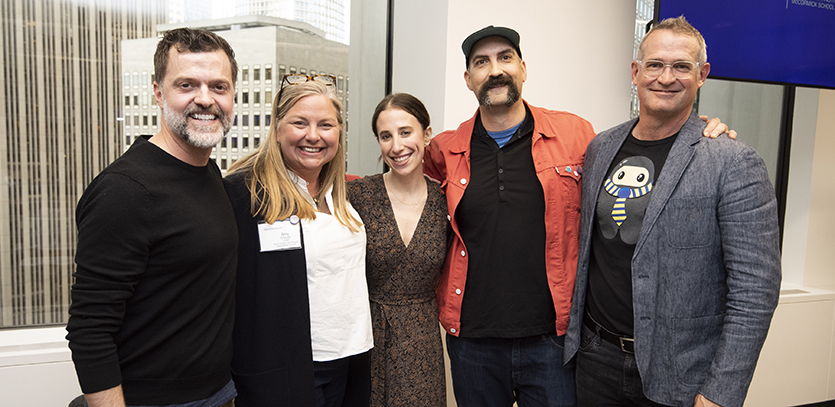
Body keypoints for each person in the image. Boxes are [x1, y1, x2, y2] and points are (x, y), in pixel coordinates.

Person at [423, 25, 732, 407]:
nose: (495, 70)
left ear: (523, 68)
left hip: (555, 340)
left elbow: (637, 153)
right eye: (481, 63)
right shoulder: (444, 150)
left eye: (505, 58)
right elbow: (407, 190)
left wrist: (695, 130)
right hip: (472, 341)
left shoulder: (575, 134)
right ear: (468, 79)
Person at [564, 17, 781, 407]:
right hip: (596, 361)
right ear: (636, 72)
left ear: (702, 76)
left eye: (682, 66)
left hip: (682, 374)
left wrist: (720, 392)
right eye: (655, 65)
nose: (666, 77)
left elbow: (755, 291)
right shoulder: (601, 148)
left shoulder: (733, 162)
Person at [66, 28, 238, 407]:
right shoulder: (126, 191)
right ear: (158, 93)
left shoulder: (208, 172)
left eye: (219, 86)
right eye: (187, 85)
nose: (205, 99)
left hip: (220, 392)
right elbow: (89, 329)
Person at [224, 77, 372, 407]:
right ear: (277, 129)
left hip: (350, 358)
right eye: (300, 123)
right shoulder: (244, 196)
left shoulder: (342, 194)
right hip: (288, 368)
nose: (313, 135)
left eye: (326, 125)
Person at [347, 94, 449, 407]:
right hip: (366, 336)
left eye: (405, 132)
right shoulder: (357, 195)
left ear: (426, 134)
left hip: (423, 343)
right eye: (385, 136)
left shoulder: (446, 200)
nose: (396, 146)